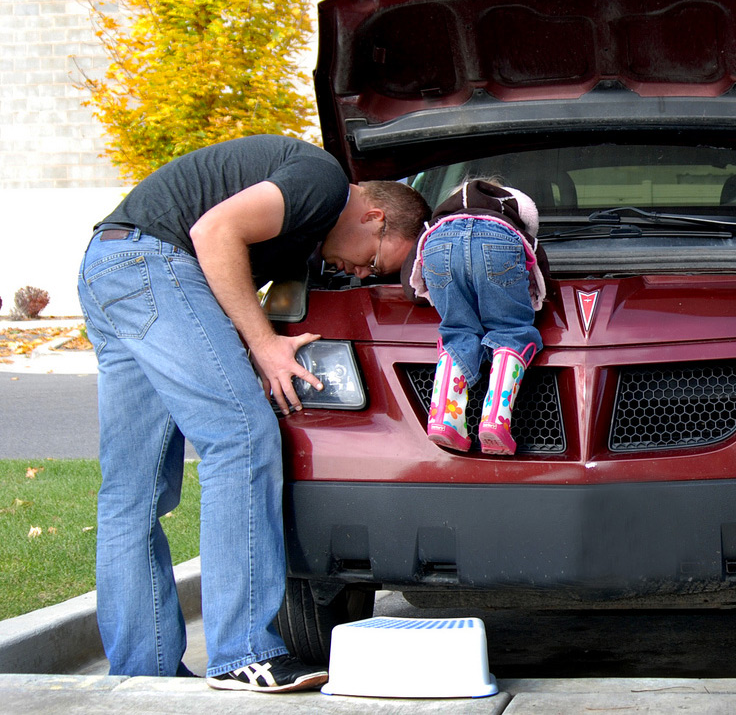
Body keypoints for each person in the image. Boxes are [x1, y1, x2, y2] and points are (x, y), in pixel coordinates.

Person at [76, 135, 429, 692]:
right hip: (153, 264)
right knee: (241, 437)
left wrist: (245, 344)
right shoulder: (324, 182)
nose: (362, 275)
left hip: (110, 265)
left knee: (131, 493)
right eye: (374, 263)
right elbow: (213, 233)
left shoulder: (304, 234)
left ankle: (143, 674)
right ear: (375, 217)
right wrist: (264, 346)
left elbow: (225, 284)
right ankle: (242, 651)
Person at [403, 179, 549, 455]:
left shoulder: (434, 227)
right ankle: (495, 420)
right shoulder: (510, 224)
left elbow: (412, 275)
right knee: (511, 332)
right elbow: (538, 269)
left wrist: (431, 295)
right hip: (498, 247)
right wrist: (534, 299)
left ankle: (444, 419)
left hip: (437, 251)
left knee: (457, 334)